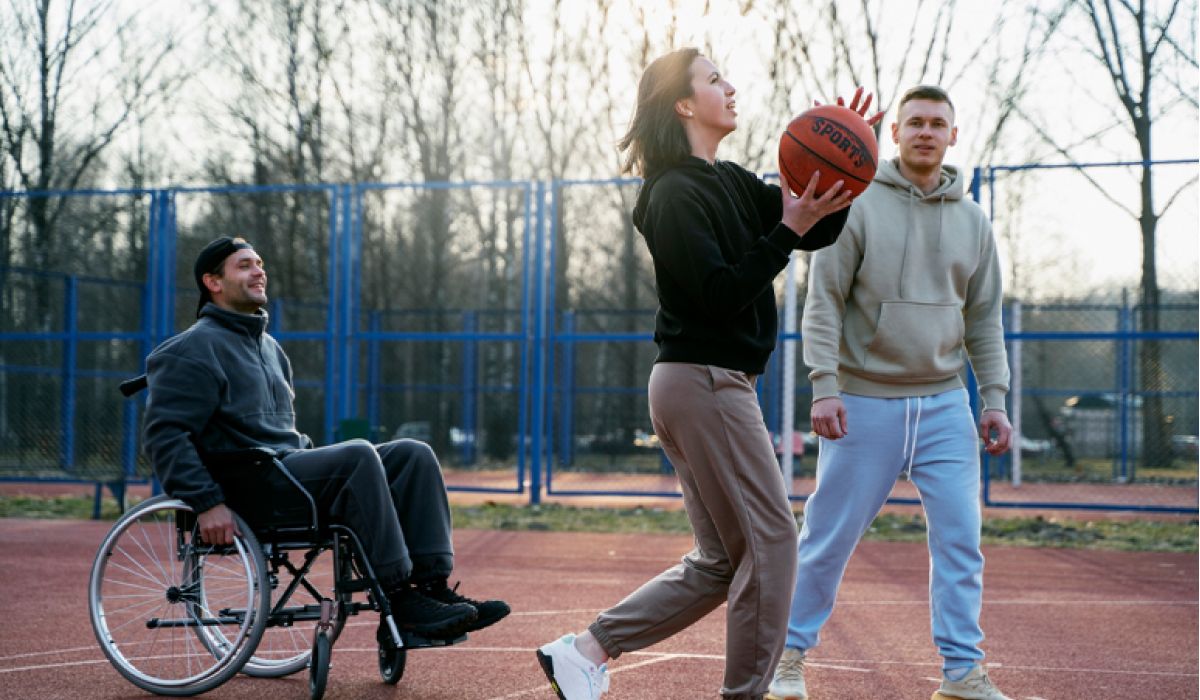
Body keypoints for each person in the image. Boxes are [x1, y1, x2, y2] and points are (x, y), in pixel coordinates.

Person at [535, 47, 876, 700]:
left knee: (724, 561)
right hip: (704, 380)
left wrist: (850, 167)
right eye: (715, 77)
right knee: (775, 543)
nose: (731, 85)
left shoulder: (731, 181)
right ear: (684, 104)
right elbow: (718, 293)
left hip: (711, 383)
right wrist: (788, 230)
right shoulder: (670, 194)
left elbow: (813, 230)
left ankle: (585, 651)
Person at [766, 85, 1014, 700]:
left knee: (961, 541)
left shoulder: (973, 219)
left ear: (953, 136)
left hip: (944, 404)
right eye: (915, 123)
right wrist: (825, 386)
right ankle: (787, 659)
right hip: (864, 402)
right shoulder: (857, 204)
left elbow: (984, 320)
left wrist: (996, 401)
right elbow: (823, 303)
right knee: (826, 538)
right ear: (895, 133)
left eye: (938, 123)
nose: (926, 132)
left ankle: (962, 673)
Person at [142, 236, 510, 646]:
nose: (259, 271)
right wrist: (207, 502)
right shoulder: (190, 350)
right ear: (212, 281)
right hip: (247, 486)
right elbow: (164, 435)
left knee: (412, 454)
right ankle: (400, 598)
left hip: (285, 470)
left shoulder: (270, 349)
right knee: (356, 455)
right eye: (245, 265)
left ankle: (430, 587)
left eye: (260, 263)